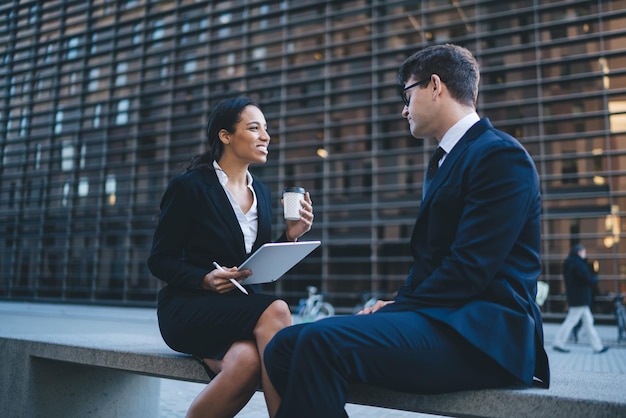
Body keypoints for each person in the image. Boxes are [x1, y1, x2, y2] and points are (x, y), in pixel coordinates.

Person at [263, 44, 550, 418]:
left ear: (435, 86)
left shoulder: (499, 156)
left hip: (484, 337)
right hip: (442, 320)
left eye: (407, 94)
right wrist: (393, 304)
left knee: (320, 342)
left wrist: (398, 307)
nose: (404, 109)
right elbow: (430, 264)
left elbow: (469, 269)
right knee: (283, 346)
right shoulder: (444, 162)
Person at [147, 97, 314, 418]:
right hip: (188, 307)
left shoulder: (263, 193)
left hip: (237, 310)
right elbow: (160, 259)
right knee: (277, 309)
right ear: (225, 136)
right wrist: (205, 279)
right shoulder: (189, 187)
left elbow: (256, 262)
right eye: (254, 128)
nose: (266, 136)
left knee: (247, 363)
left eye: (266, 129)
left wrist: (291, 236)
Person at [553, 244, 608, 354]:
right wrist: (595, 279)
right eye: (584, 252)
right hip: (580, 299)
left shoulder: (569, 263)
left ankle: (597, 346)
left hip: (576, 298)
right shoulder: (577, 264)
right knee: (572, 321)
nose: (585, 254)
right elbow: (586, 278)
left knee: (588, 322)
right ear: (579, 252)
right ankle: (558, 343)